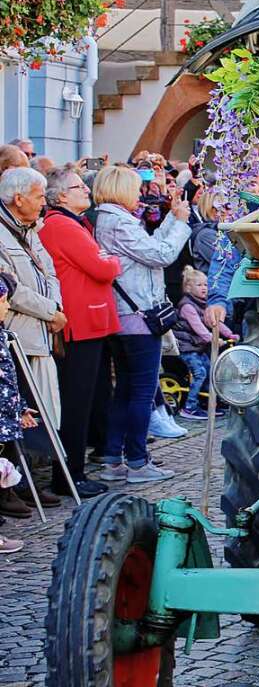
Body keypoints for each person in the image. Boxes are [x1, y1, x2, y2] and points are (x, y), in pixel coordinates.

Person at [93, 165, 191, 484]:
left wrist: (173, 219)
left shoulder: (112, 220)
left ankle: (113, 456)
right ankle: (137, 460)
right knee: (142, 391)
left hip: (124, 316)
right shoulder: (118, 221)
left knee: (124, 389)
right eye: (135, 188)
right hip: (136, 317)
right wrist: (180, 225)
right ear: (121, 189)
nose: (140, 193)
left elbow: (147, 249)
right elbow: (161, 254)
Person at [37, 167, 122, 498]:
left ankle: (74, 469)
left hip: (88, 321)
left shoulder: (70, 223)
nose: (86, 190)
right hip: (79, 324)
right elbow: (103, 267)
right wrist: (111, 260)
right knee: (75, 403)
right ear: (60, 196)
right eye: (77, 187)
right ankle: (69, 475)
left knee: (87, 398)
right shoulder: (62, 226)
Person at [0, 167, 65, 510]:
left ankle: (26, 483)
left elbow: (48, 272)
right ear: (18, 198)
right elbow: (12, 287)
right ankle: (10, 486)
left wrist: (56, 306)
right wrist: (49, 312)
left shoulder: (30, 230)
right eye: (39, 196)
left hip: (38, 332)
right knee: (17, 412)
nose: (44, 202)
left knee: (38, 411)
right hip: (19, 334)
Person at [0, 272, 39, 531]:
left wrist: (20, 408)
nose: (8, 305)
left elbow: (9, 382)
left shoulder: (2, 335)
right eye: (3, 301)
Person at [173, 266, 238, 421]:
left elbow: (215, 322)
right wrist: (214, 339)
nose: (204, 288)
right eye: (199, 285)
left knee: (211, 371)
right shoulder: (188, 306)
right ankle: (189, 407)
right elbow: (200, 329)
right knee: (200, 373)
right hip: (186, 348)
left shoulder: (204, 304)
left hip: (197, 347)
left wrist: (230, 334)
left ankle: (209, 404)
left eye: (206, 285)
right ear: (188, 288)